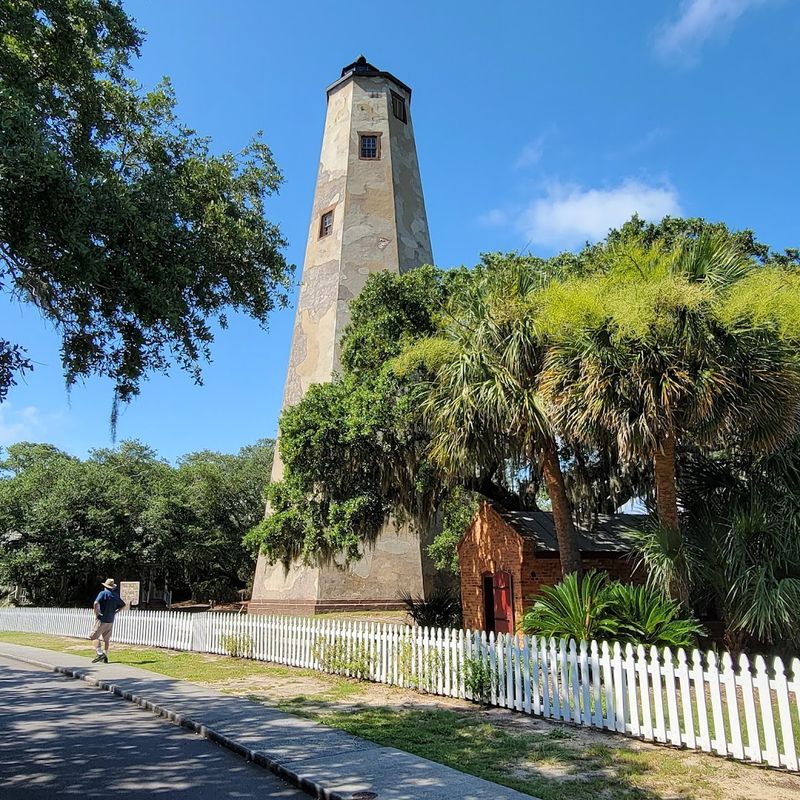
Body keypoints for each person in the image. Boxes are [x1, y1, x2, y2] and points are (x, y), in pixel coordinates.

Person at [89, 578, 126, 663]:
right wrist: (116, 612)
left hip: (101, 619)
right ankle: (105, 656)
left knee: (93, 636)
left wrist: (96, 612)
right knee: (106, 639)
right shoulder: (115, 595)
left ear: (105, 586)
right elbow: (123, 605)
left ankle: (100, 653)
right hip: (110, 620)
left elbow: (96, 603)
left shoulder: (103, 593)